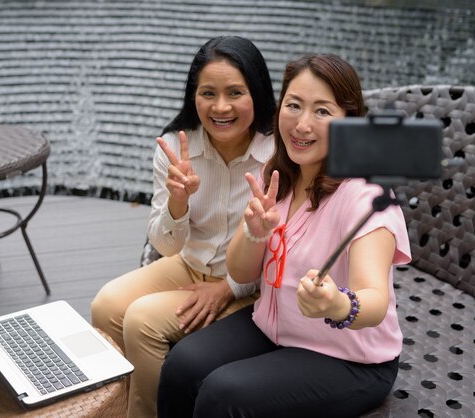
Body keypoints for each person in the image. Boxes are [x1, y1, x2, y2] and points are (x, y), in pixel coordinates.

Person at [157, 54, 411, 418]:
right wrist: (254, 234)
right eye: (293, 105)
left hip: (349, 357)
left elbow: (374, 299)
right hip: (274, 328)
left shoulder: (366, 196)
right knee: (183, 364)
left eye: (322, 111)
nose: (302, 124)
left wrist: (337, 304)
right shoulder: (276, 177)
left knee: (224, 394)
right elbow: (242, 273)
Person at [90, 35, 276, 418]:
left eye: (235, 93)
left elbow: (285, 246)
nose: (220, 107)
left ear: (257, 93)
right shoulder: (179, 148)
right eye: (208, 93)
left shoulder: (277, 154)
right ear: (194, 95)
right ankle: (124, 404)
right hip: (189, 263)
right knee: (106, 305)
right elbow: (167, 246)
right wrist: (178, 201)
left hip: (250, 283)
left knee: (142, 321)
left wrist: (227, 289)